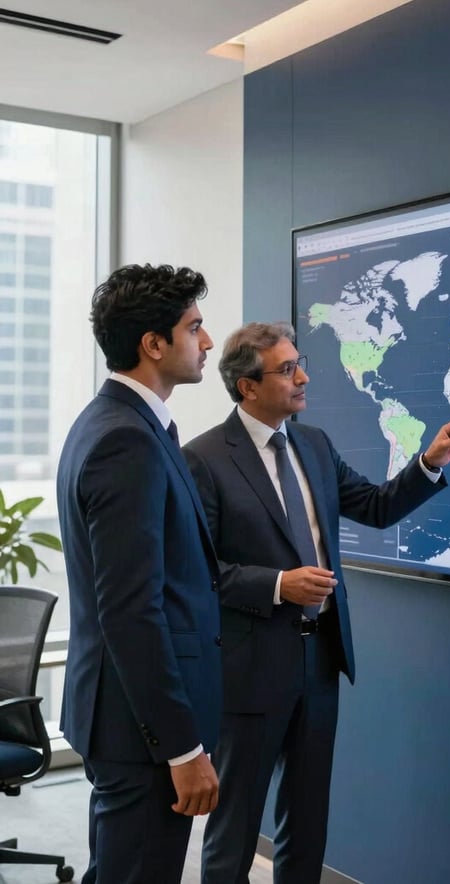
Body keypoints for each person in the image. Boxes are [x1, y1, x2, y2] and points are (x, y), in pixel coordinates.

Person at [182, 320, 450, 884]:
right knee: (236, 826)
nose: (303, 376)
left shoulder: (312, 444)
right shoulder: (205, 459)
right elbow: (199, 572)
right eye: (287, 369)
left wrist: (429, 461)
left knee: (308, 819)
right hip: (249, 669)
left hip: (320, 661)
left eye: (300, 362)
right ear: (247, 386)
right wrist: (277, 585)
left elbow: (375, 505)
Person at [56, 264, 222, 884]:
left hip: (127, 720)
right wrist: (182, 748)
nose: (206, 342)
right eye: (194, 328)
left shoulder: (114, 424)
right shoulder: (126, 439)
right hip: (141, 732)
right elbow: (131, 610)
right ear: (153, 344)